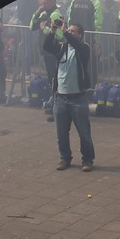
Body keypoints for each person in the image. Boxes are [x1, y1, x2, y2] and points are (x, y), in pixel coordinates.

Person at [43, 20, 96, 171]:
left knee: (84, 133)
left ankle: (87, 160)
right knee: (61, 133)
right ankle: (65, 158)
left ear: (80, 35)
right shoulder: (61, 47)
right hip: (60, 98)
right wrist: (52, 31)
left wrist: (65, 31)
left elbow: (76, 44)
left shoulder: (83, 48)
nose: (70, 33)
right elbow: (46, 46)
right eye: (69, 31)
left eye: (73, 31)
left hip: (77, 98)